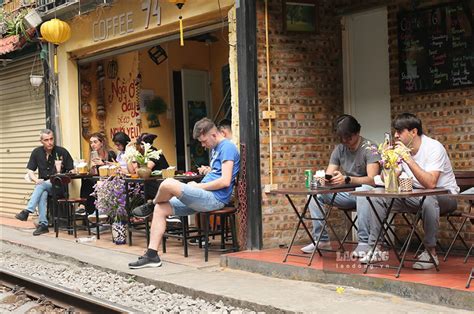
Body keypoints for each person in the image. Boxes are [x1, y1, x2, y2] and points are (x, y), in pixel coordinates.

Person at [128, 118, 240, 269]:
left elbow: (225, 181)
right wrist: (206, 173)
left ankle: (150, 203)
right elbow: (218, 173)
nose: (203, 145)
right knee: (160, 209)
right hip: (203, 197)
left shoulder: (227, 147)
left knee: (168, 183)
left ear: (214, 134)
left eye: (204, 140)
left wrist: (198, 186)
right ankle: (152, 255)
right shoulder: (216, 148)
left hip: (214, 198)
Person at [360, 113, 459, 269]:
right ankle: (375, 248)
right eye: (395, 132)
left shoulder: (433, 147)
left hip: (445, 196)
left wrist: (408, 159)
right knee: (376, 198)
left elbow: (431, 184)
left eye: (399, 132)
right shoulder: (402, 150)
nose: (395, 135)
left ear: (413, 132)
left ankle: (430, 252)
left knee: (428, 199)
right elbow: (385, 182)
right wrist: (388, 160)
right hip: (414, 196)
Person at [301, 114, 380, 256]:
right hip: (347, 193)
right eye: (342, 137)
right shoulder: (339, 149)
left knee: (363, 191)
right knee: (314, 194)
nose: (345, 141)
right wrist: (326, 179)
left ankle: (364, 242)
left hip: (368, 195)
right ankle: (322, 240)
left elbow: (373, 180)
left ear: (357, 132)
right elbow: (329, 173)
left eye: (348, 137)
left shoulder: (369, 148)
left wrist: (348, 179)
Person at [15, 129, 74, 236]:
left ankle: (28, 211)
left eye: (51, 139)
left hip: (59, 185)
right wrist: (36, 180)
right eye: (46, 140)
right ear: (41, 141)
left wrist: (69, 172)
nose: (50, 142)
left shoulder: (62, 151)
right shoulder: (36, 152)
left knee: (41, 186)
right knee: (42, 191)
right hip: (44, 186)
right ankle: (43, 224)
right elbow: (30, 171)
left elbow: (72, 170)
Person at [78, 133, 116, 223]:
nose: (93, 145)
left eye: (95, 142)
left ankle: (93, 212)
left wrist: (102, 163)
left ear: (102, 143)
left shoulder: (110, 154)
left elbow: (114, 168)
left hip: (109, 180)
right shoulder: (93, 155)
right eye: (91, 143)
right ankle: (85, 208)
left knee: (93, 184)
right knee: (86, 180)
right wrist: (91, 167)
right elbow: (93, 173)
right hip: (97, 180)